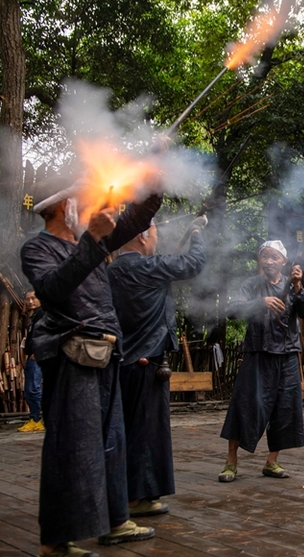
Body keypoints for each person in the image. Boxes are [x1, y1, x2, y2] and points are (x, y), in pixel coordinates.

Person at [21, 173, 161, 556]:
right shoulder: (38, 249)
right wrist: (93, 240)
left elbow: (135, 220)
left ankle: (116, 522)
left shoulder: (93, 241)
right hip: (71, 357)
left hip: (106, 354)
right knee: (73, 447)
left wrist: (154, 179)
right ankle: (55, 541)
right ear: (65, 208)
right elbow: (52, 290)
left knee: (112, 444)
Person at [108, 217, 207, 514]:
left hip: (124, 360)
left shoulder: (112, 270)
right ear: (140, 236)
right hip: (146, 360)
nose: (155, 239)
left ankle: (144, 492)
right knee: (142, 431)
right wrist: (197, 233)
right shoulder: (147, 266)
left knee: (141, 429)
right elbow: (193, 263)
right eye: (152, 233)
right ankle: (133, 500)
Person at [219, 240, 304, 481]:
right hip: (258, 352)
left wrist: (299, 286)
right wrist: (260, 303)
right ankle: (231, 462)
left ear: (283, 261)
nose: (269, 260)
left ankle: (272, 462)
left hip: (288, 354)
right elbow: (232, 310)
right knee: (246, 405)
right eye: (265, 256)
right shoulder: (251, 285)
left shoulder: (293, 286)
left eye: (274, 257)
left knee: (284, 409)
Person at [18, 291, 45, 433]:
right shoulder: (34, 317)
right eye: (28, 299)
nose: (30, 302)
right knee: (31, 390)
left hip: (37, 357)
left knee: (32, 389)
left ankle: (36, 419)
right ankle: (36, 418)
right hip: (32, 357)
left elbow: (45, 334)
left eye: (34, 298)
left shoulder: (43, 314)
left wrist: (37, 352)